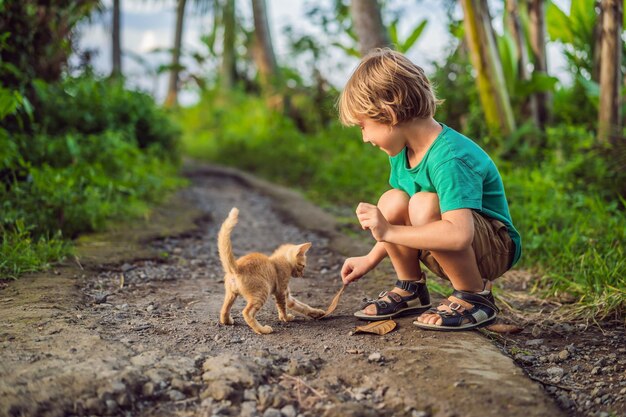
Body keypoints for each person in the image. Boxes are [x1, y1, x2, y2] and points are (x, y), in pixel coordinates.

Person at [337, 48, 521, 331]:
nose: (364, 138)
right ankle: (411, 288)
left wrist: (388, 231)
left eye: (364, 126)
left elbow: (459, 235)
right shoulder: (401, 152)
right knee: (393, 200)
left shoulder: (450, 157)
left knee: (423, 204)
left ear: (387, 113)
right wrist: (370, 259)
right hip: (449, 242)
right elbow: (395, 222)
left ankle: (475, 295)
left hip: (493, 248)